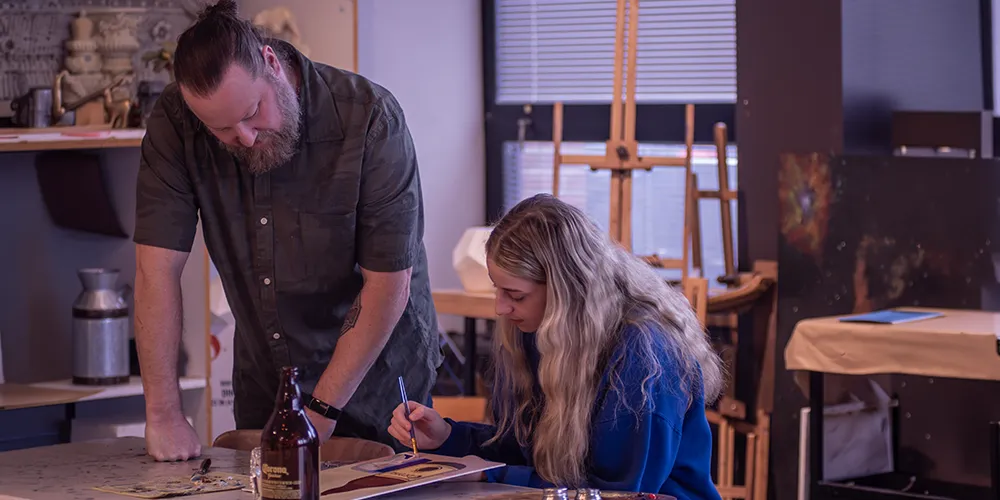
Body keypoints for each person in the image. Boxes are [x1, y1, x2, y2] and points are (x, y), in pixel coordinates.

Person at [133, 0, 442, 461]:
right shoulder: (176, 124)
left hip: (382, 381)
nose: (245, 137)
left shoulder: (370, 118)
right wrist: (162, 414)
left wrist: (317, 414)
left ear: (272, 64)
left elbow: (386, 286)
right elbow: (155, 272)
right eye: (221, 129)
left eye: (253, 111)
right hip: (269, 378)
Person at [388, 194, 725, 499]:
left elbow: (620, 493)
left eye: (516, 295)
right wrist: (448, 436)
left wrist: (490, 476)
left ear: (568, 290)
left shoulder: (644, 351)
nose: (500, 309)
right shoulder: (533, 330)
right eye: (498, 290)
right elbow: (524, 449)